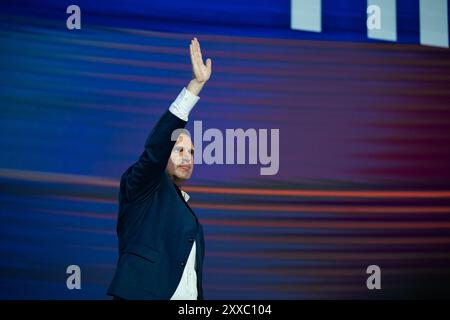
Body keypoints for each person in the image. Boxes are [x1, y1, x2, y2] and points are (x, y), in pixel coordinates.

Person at [107, 37, 212, 300]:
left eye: (191, 152)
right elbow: (157, 146)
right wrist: (194, 87)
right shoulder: (141, 186)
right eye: (179, 149)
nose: (187, 157)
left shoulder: (185, 210)